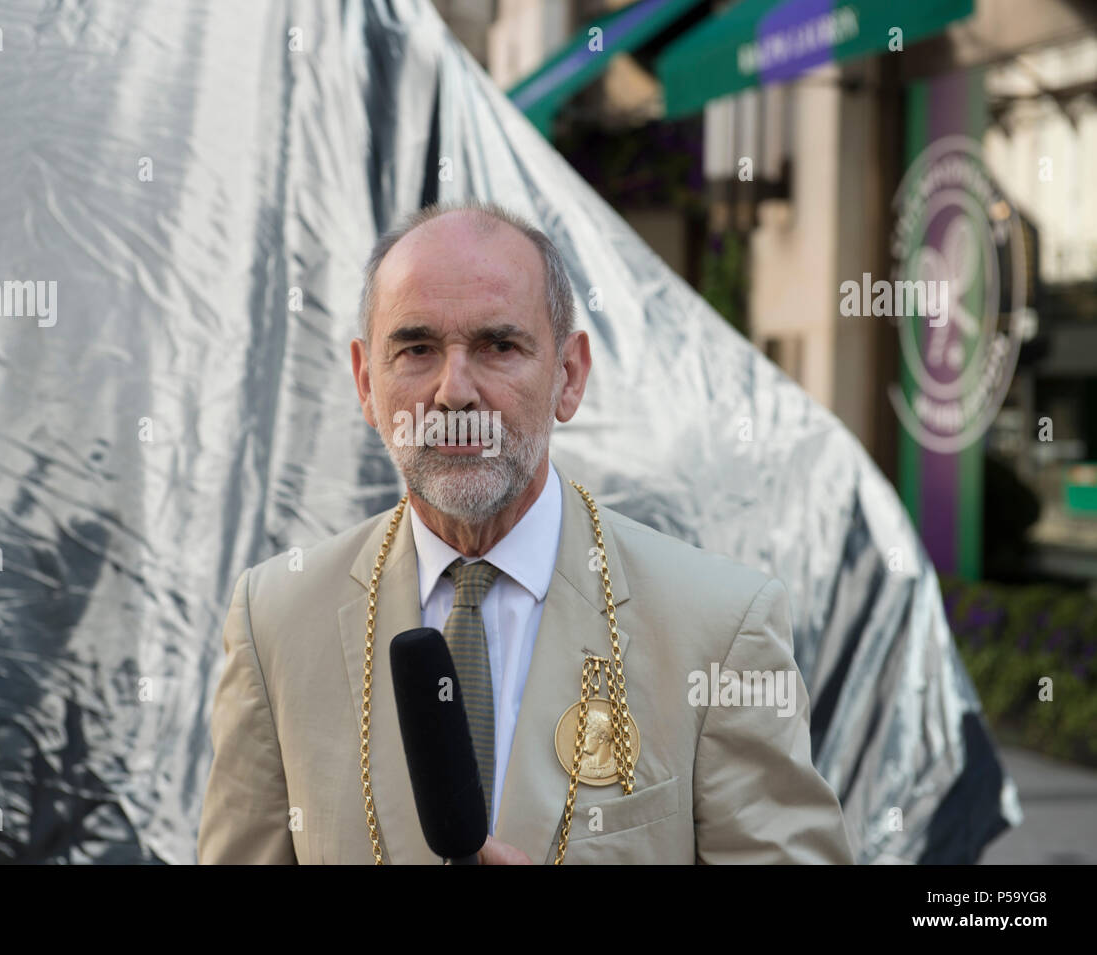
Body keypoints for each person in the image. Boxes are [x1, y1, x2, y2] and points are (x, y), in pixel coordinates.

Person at [198, 200, 854, 864]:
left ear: (568, 375)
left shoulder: (718, 627)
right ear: (367, 381)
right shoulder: (276, 620)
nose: (454, 391)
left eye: (498, 345)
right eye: (417, 348)